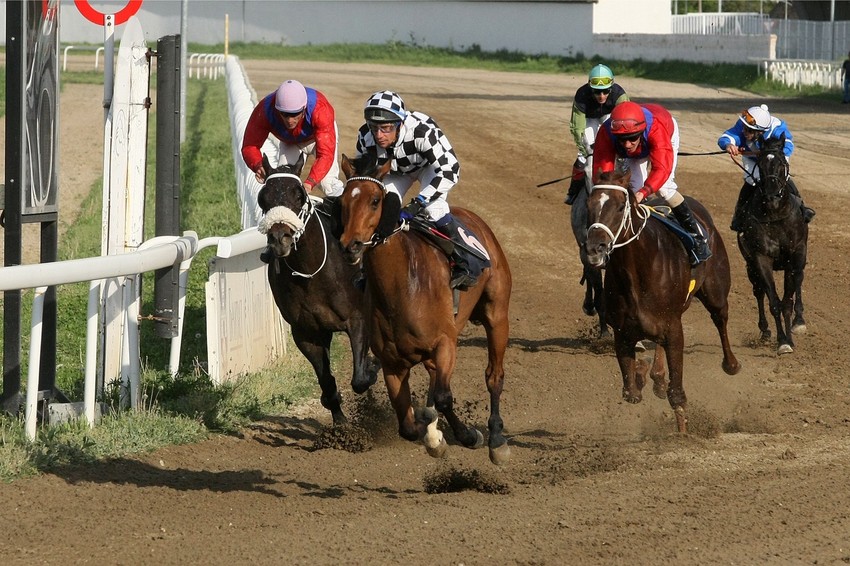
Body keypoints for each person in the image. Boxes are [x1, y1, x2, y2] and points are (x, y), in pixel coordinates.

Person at [354, 90, 478, 289]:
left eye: (385, 128)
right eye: (374, 127)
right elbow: (364, 178)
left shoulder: (421, 131)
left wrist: (417, 203)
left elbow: (450, 169)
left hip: (428, 168)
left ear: (399, 123)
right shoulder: (364, 136)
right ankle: (365, 268)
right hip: (395, 173)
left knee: (433, 209)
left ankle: (464, 261)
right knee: (378, 210)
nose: (379, 135)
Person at [593, 100, 712, 265]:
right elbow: (602, 176)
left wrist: (644, 192)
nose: (627, 144)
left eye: (632, 138)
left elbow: (661, 170)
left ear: (640, 131)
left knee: (664, 187)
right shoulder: (606, 132)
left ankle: (697, 237)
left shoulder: (656, 130)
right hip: (642, 140)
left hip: (666, 130)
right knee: (632, 187)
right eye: (621, 139)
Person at [717, 104, 815, 232]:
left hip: (775, 158)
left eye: (749, 131)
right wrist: (729, 144)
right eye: (745, 128)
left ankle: (802, 209)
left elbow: (788, 144)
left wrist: (773, 153)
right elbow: (728, 136)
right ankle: (739, 215)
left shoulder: (777, 127)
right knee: (751, 181)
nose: (744, 132)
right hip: (753, 159)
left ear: (761, 132)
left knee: (783, 177)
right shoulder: (743, 125)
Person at [242, 79, 344, 197]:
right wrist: (258, 166)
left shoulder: (321, 109)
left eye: (295, 114)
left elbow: (325, 155)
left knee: (327, 184)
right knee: (283, 183)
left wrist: (309, 182)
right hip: (291, 142)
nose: (290, 121)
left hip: (318, 138)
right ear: (276, 109)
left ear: (304, 108)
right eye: (284, 114)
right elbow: (249, 146)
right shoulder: (264, 110)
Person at [564, 63, 629, 205]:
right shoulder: (581, 95)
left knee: (623, 158)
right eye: (597, 92)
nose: (601, 96)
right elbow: (577, 128)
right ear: (590, 88)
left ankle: (631, 190)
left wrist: (621, 147)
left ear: (611, 88)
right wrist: (584, 151)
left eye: (606, 91)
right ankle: (573, 191)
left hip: (610, 117)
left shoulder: (620, 95)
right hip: (588, 119)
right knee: (583, 158)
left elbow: (626, 122)